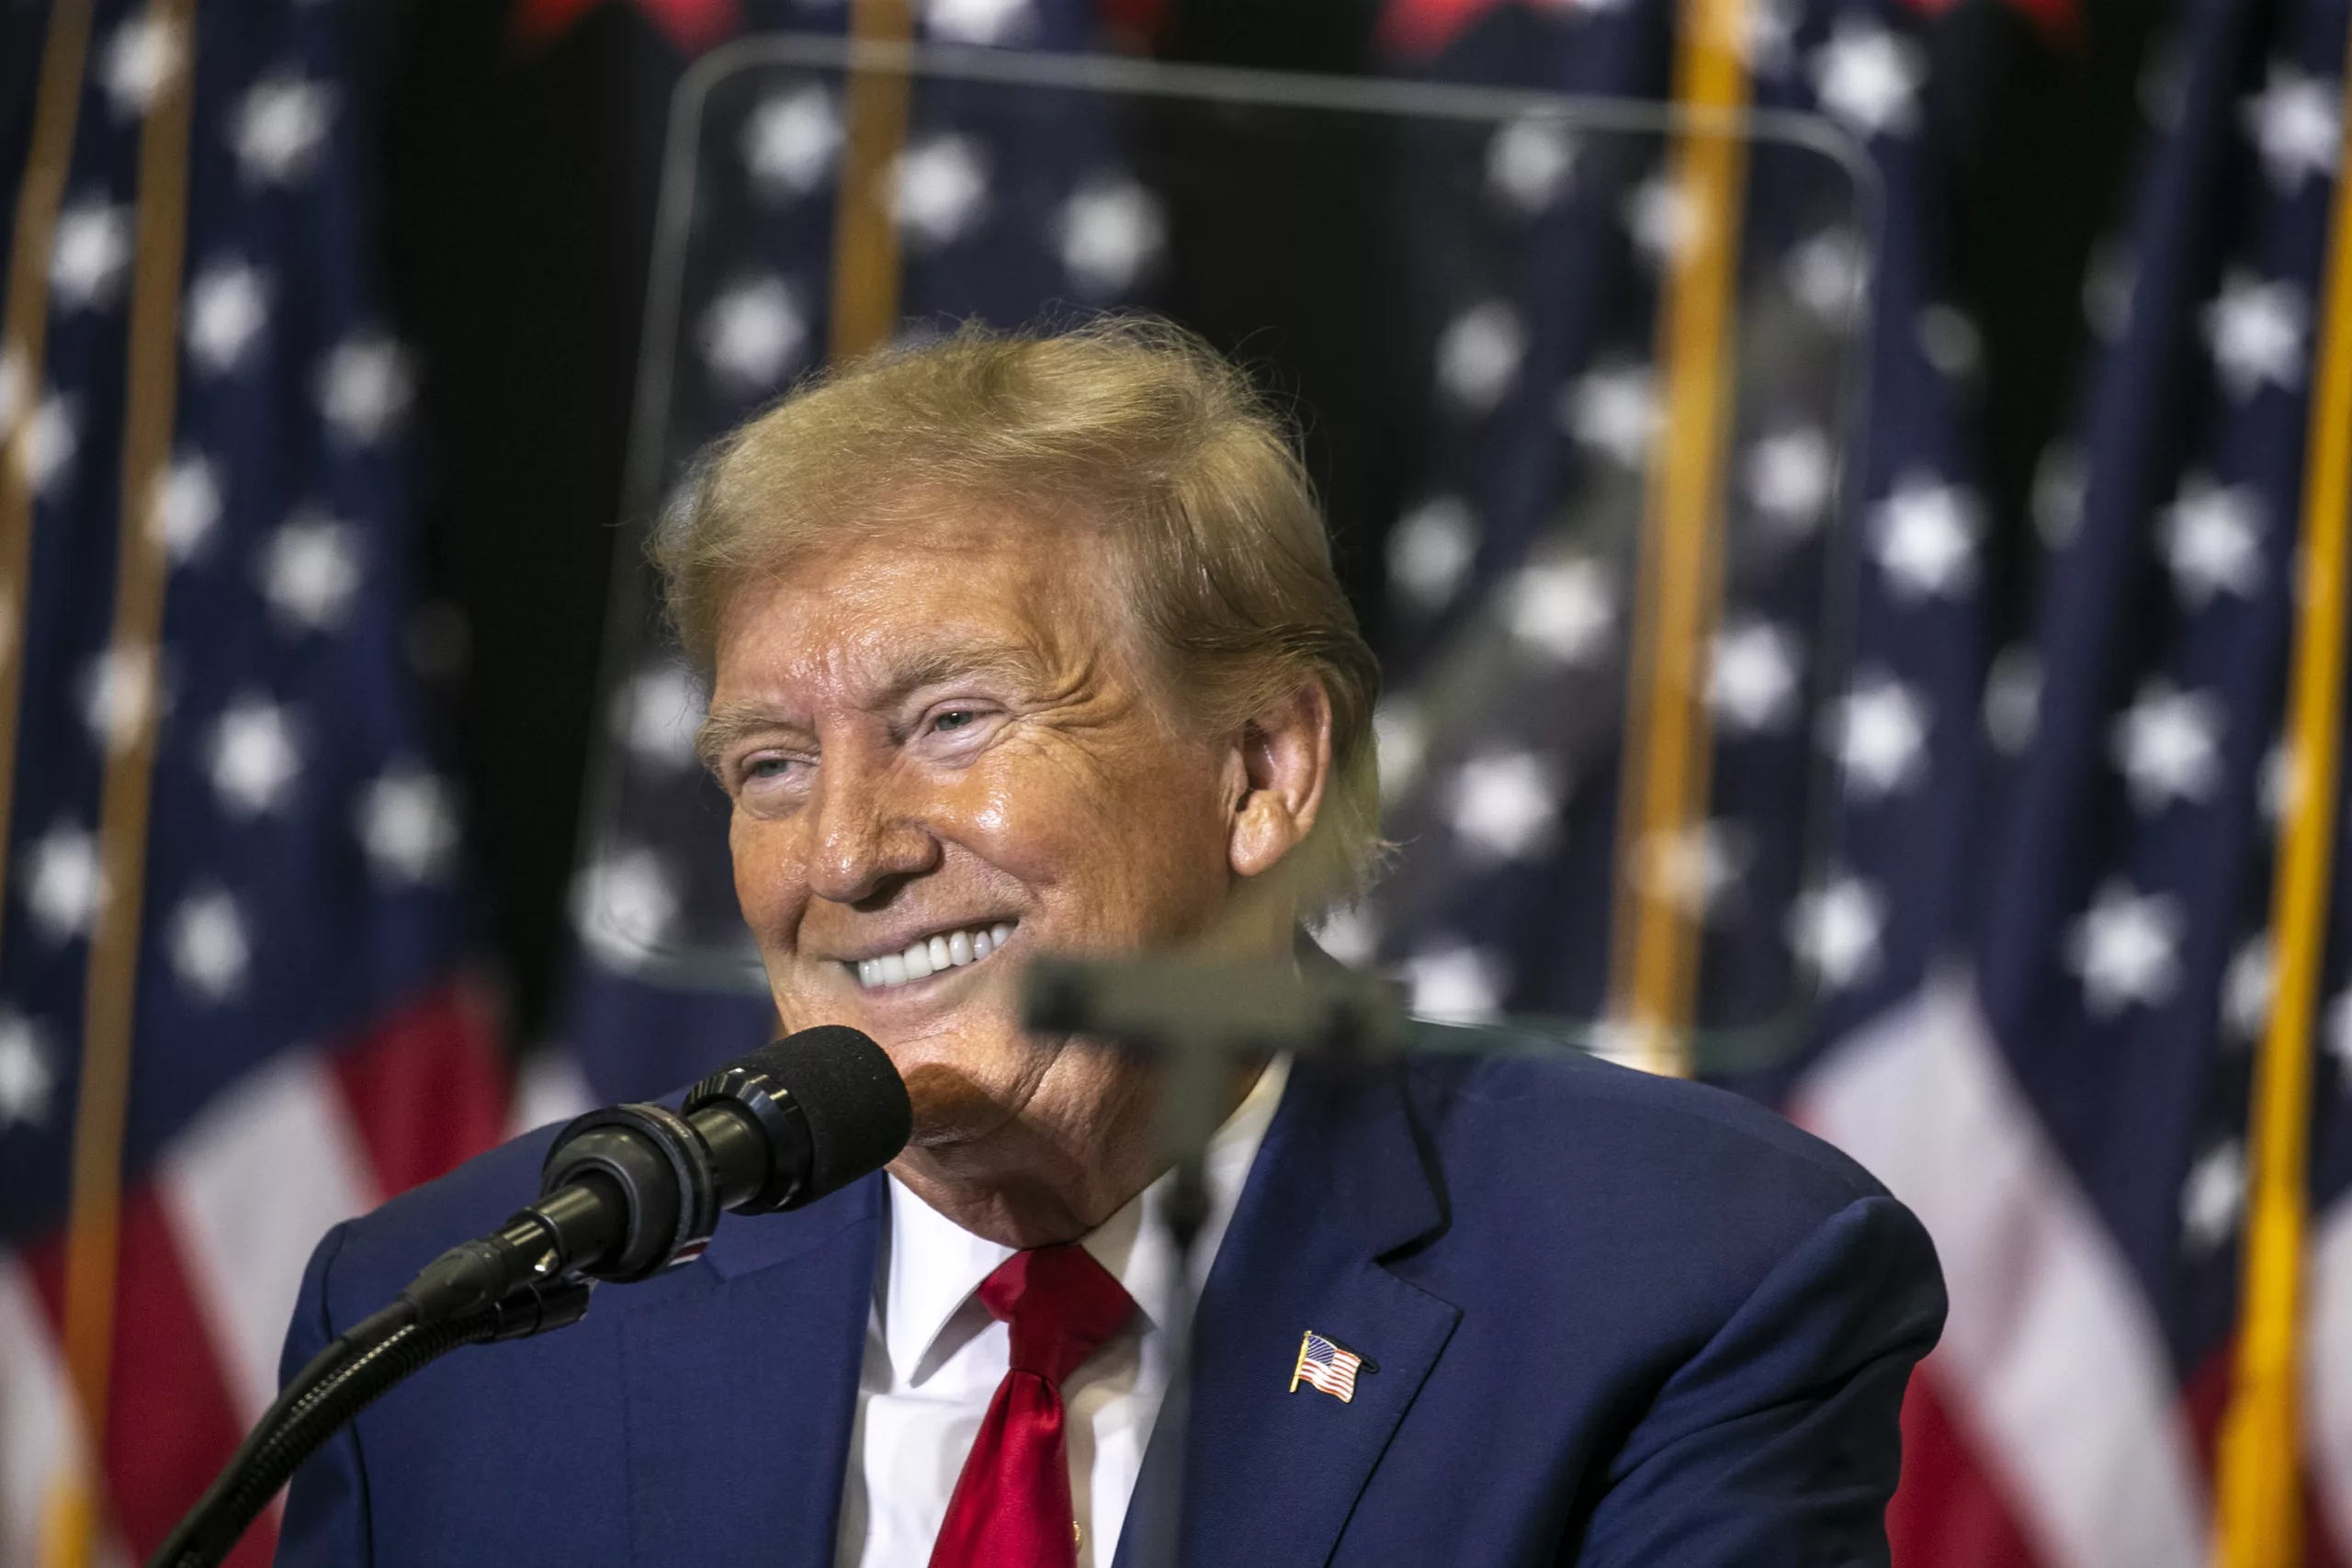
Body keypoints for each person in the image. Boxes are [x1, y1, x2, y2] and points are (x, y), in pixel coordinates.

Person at [274, 321, 1944, 1568]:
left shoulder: (1676, 1283)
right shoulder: (463, 1336)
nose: (847, 853)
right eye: (770, 764)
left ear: (1264, 769)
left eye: (950, 718)